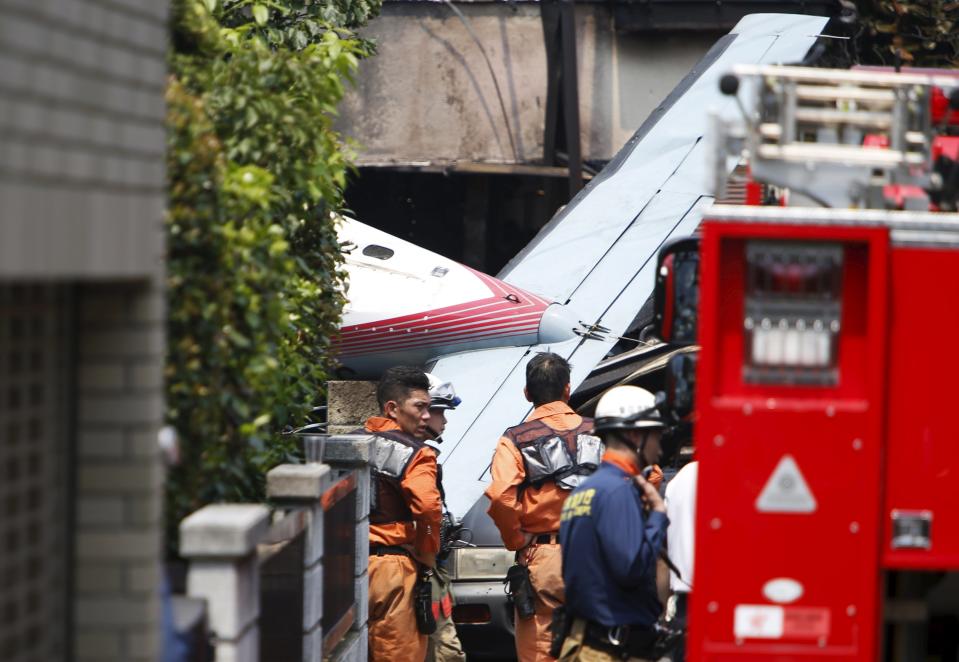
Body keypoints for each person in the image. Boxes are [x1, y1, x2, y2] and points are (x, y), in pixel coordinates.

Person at [486, 352, 603, 661]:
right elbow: (648, 477)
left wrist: (517, 539)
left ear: (527, 393)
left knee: (542, 649)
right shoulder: (602, 432)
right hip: (598, 554)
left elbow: (501, 496)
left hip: (545, 557)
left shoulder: (514, 439)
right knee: (596, 646)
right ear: (567, 389)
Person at [557, 385, 670, 662]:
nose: (660, 445)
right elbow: (630, 569)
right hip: (611, 649)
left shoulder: (584, 491)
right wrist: (657, 516)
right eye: (655, 434)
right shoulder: (618, 491)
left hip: (585, 641)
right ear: (635, 435)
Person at [363, 366, 444, 661]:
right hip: (394, 571)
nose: (426, 416)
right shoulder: (417, 453)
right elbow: (428, 508)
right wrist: (426, 550)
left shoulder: (347, 445)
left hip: (346, 568)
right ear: (392, 409)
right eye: (420, 407)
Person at [421, 373, 468, 662]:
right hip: (421, 571)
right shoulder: (412, 458)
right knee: (446, 652)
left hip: (431, 571)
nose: (443, 420)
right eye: (439, 411)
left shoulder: (424, 457)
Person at [664, 459, 697, 662]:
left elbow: (662, 552)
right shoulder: (745, 475)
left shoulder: (682, 477)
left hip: (683, 609)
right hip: (726, 611)